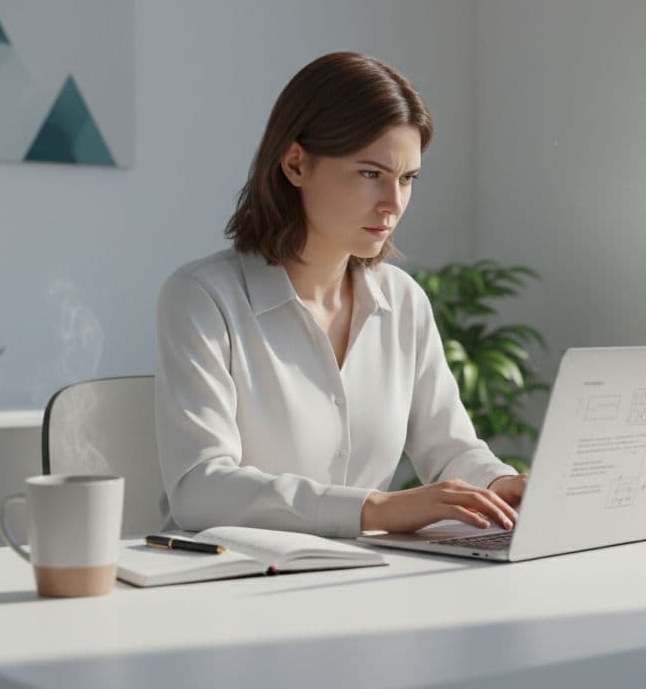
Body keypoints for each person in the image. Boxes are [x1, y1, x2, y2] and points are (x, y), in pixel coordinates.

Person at [155, 52, 526, 538]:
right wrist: (375, 509)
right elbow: (200, 489)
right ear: (295, 164)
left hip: (362, 579)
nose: (394, 203)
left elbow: (450, 449)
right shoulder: (203, 298)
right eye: (370, 174)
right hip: (231, 585)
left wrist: (499, 484)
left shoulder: (403, 301)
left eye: (407, 178)